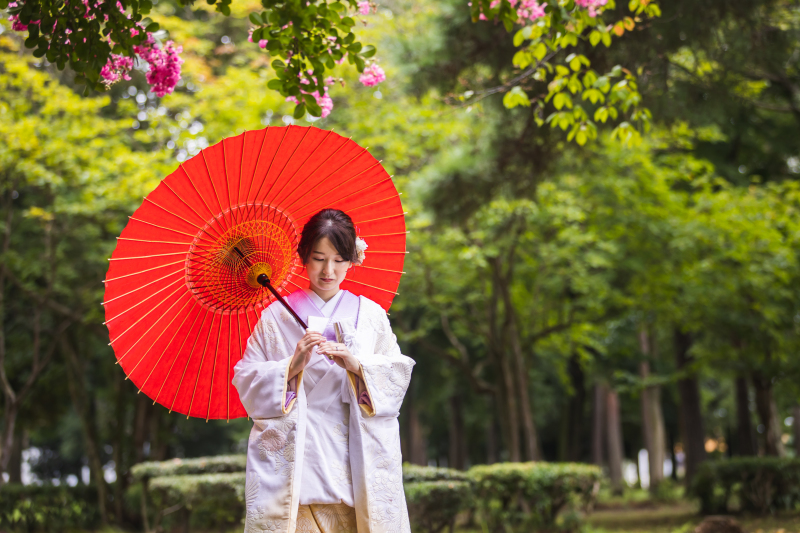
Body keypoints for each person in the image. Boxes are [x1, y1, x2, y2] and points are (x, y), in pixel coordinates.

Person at [232, 208, 415, 533]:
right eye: (318, 258)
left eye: (338, 259)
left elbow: (396, 376)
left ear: (352, 259)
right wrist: (292, 365)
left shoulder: (371, 316)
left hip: (356, 471)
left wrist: (357, 366)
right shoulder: (276, 318)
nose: (328, 270)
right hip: (296, 475)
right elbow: (246, 378)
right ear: (304, 256)